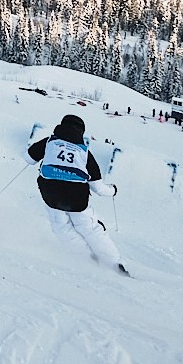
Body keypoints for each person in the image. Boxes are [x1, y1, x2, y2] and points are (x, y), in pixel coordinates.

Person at [28, 114, 127, 275]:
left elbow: (28, 157)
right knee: (90, 228)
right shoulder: (84, 153)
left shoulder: (49, 142)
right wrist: (113, 190)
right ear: (81, 132)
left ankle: (87, 258)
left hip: (50, 195)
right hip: (76, 199)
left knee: (61, 227)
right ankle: (114, 264)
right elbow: (98, 188)